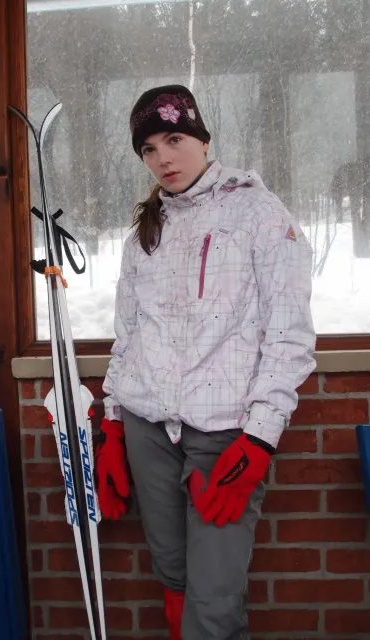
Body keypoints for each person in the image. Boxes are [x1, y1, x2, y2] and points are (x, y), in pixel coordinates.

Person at [95, 85, 316, 640]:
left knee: (213, 599)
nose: (163, 158)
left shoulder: (260, 214)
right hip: (147, 428)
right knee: (172, 576)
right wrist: (113, 425)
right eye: (148, 149)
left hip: (223, 433)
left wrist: (259, 439)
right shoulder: (143, 235)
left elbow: (288, 336)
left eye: (174, 139)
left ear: (202, 139)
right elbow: (128, 337)